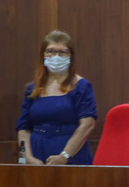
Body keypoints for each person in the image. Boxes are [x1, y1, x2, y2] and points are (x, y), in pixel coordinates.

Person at [16, 30, 97, 165]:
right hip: (35, 156)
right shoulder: (32, 89)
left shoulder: (82, 87)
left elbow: (87, 126)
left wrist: (64, 156)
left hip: (71, 156)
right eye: (51, 51)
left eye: (63, 52)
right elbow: (23, 129)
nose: (56, 56)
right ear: (43, 55)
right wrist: (26, 157)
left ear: (71, 56)